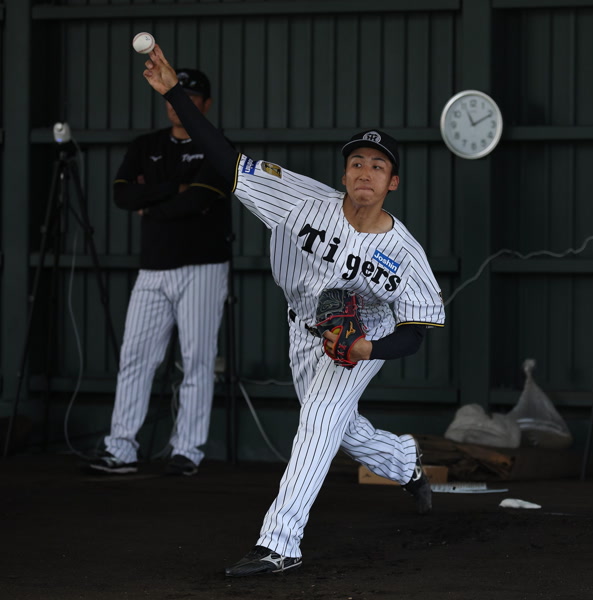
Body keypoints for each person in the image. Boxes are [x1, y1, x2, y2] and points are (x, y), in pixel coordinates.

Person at [141, 45, 446, 577]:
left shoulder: (405, 253)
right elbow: (225, 159)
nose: (365, 172)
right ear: (344, 173)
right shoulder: (301, 201)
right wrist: (175, 95)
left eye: (378, 166)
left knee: (319, 422)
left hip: (362, 334)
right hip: (304, 331)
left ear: (392, 182)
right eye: (357, 163)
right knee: (342, 430)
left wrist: (367, 347)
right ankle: (405, 462)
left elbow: (416, 331)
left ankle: (279, 543)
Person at [85, 68, 232, 477]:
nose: (178, 104)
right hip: (152, 268)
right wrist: (173, 189)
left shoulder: (217, 145)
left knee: (197, 360)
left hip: (203, 266)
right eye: (175, 96)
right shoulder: (146, 145)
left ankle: (187, 451)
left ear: (205, 104)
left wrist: (149, 204)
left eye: (190, 97)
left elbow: (199, 200)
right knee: (135, 357)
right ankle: (121, 449)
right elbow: (121, 195)